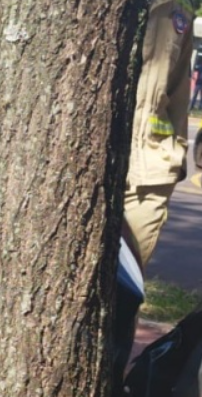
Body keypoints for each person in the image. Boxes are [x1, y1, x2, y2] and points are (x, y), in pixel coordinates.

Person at [124, 0, 194, 267]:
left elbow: (177, 95)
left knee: (126, 280)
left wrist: (174, 158)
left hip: (150, 172)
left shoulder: (178, 10)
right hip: (84, 165)